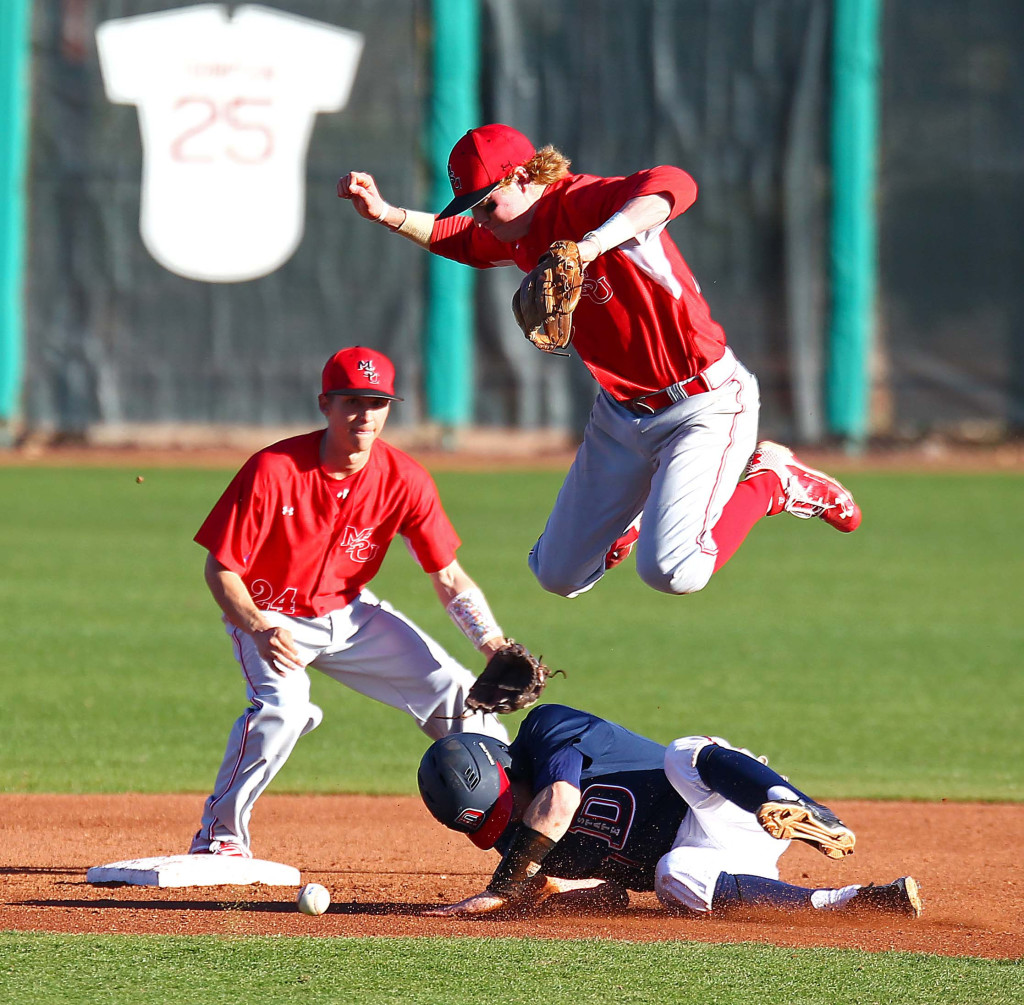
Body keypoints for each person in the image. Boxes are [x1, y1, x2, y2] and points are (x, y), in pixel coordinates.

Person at [338, 125, 861, 600]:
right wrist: (385, 213)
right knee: (558, 574)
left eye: (485, 203)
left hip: (705, 402)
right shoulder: (517, 232)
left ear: (522, 178)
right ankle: (631, 521)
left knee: (673, 572)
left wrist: (591, 246)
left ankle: (775, 481)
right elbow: (464, 242)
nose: (480, 217)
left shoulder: (588, 200)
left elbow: (675, 185)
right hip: (621, 414)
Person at [188, 346, 511, 858]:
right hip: (270, 615)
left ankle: (520, 827)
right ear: (325, 405)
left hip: (350, 614)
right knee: (284, 710)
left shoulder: (405, 478)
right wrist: (256, 627)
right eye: (351, 402)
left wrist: (492, 643)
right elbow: (220, 569)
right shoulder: (273, 469)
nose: (364, 415)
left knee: (455, 692)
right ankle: (219, 837)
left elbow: (447, 574)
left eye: (377, 402)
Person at [417, 703, 922, 919]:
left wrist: (501, 889)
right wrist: (546, 891)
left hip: (725, 804)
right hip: (718, 861)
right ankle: (854, 902)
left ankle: (792, 804)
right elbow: (612, 896)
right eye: (491, 827)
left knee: (683, 753)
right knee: (673, 876)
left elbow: (559, 802)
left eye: (506, 809)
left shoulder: (548, 731)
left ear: (510, 771)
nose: (506, 828)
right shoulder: (520, 849)